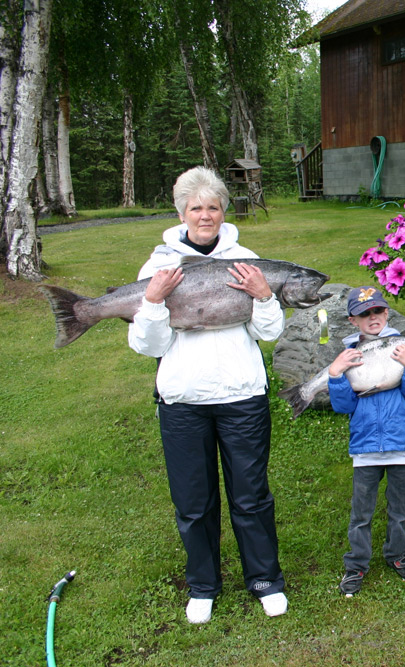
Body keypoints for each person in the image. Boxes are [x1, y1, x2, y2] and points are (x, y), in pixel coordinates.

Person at [127, 166, 288, 624]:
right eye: (195, 207)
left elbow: (269, 332)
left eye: (213, 206)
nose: (205, 215)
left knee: (251, 495)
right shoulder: (158, 266)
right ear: (181, 212)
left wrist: (264, 296)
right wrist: (154, 303)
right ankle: (203, 585)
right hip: (182, 403)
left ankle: (265, 580)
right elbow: (147, 346)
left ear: (223, 211)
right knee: (193, 502)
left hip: (242, 398)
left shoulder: (247, 259)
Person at [327, 286, 405, 598]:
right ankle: (356, 564)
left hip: (403, 446)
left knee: (400, 509)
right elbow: (344, 406)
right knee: (361, 514)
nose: (372, 318)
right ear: (352, 320)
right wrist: (335, 374)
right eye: (364, 313)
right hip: (366, 449)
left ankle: (398, 555)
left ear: (386, 312)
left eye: (378, 311)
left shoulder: (403, 347)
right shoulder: (350, 354)